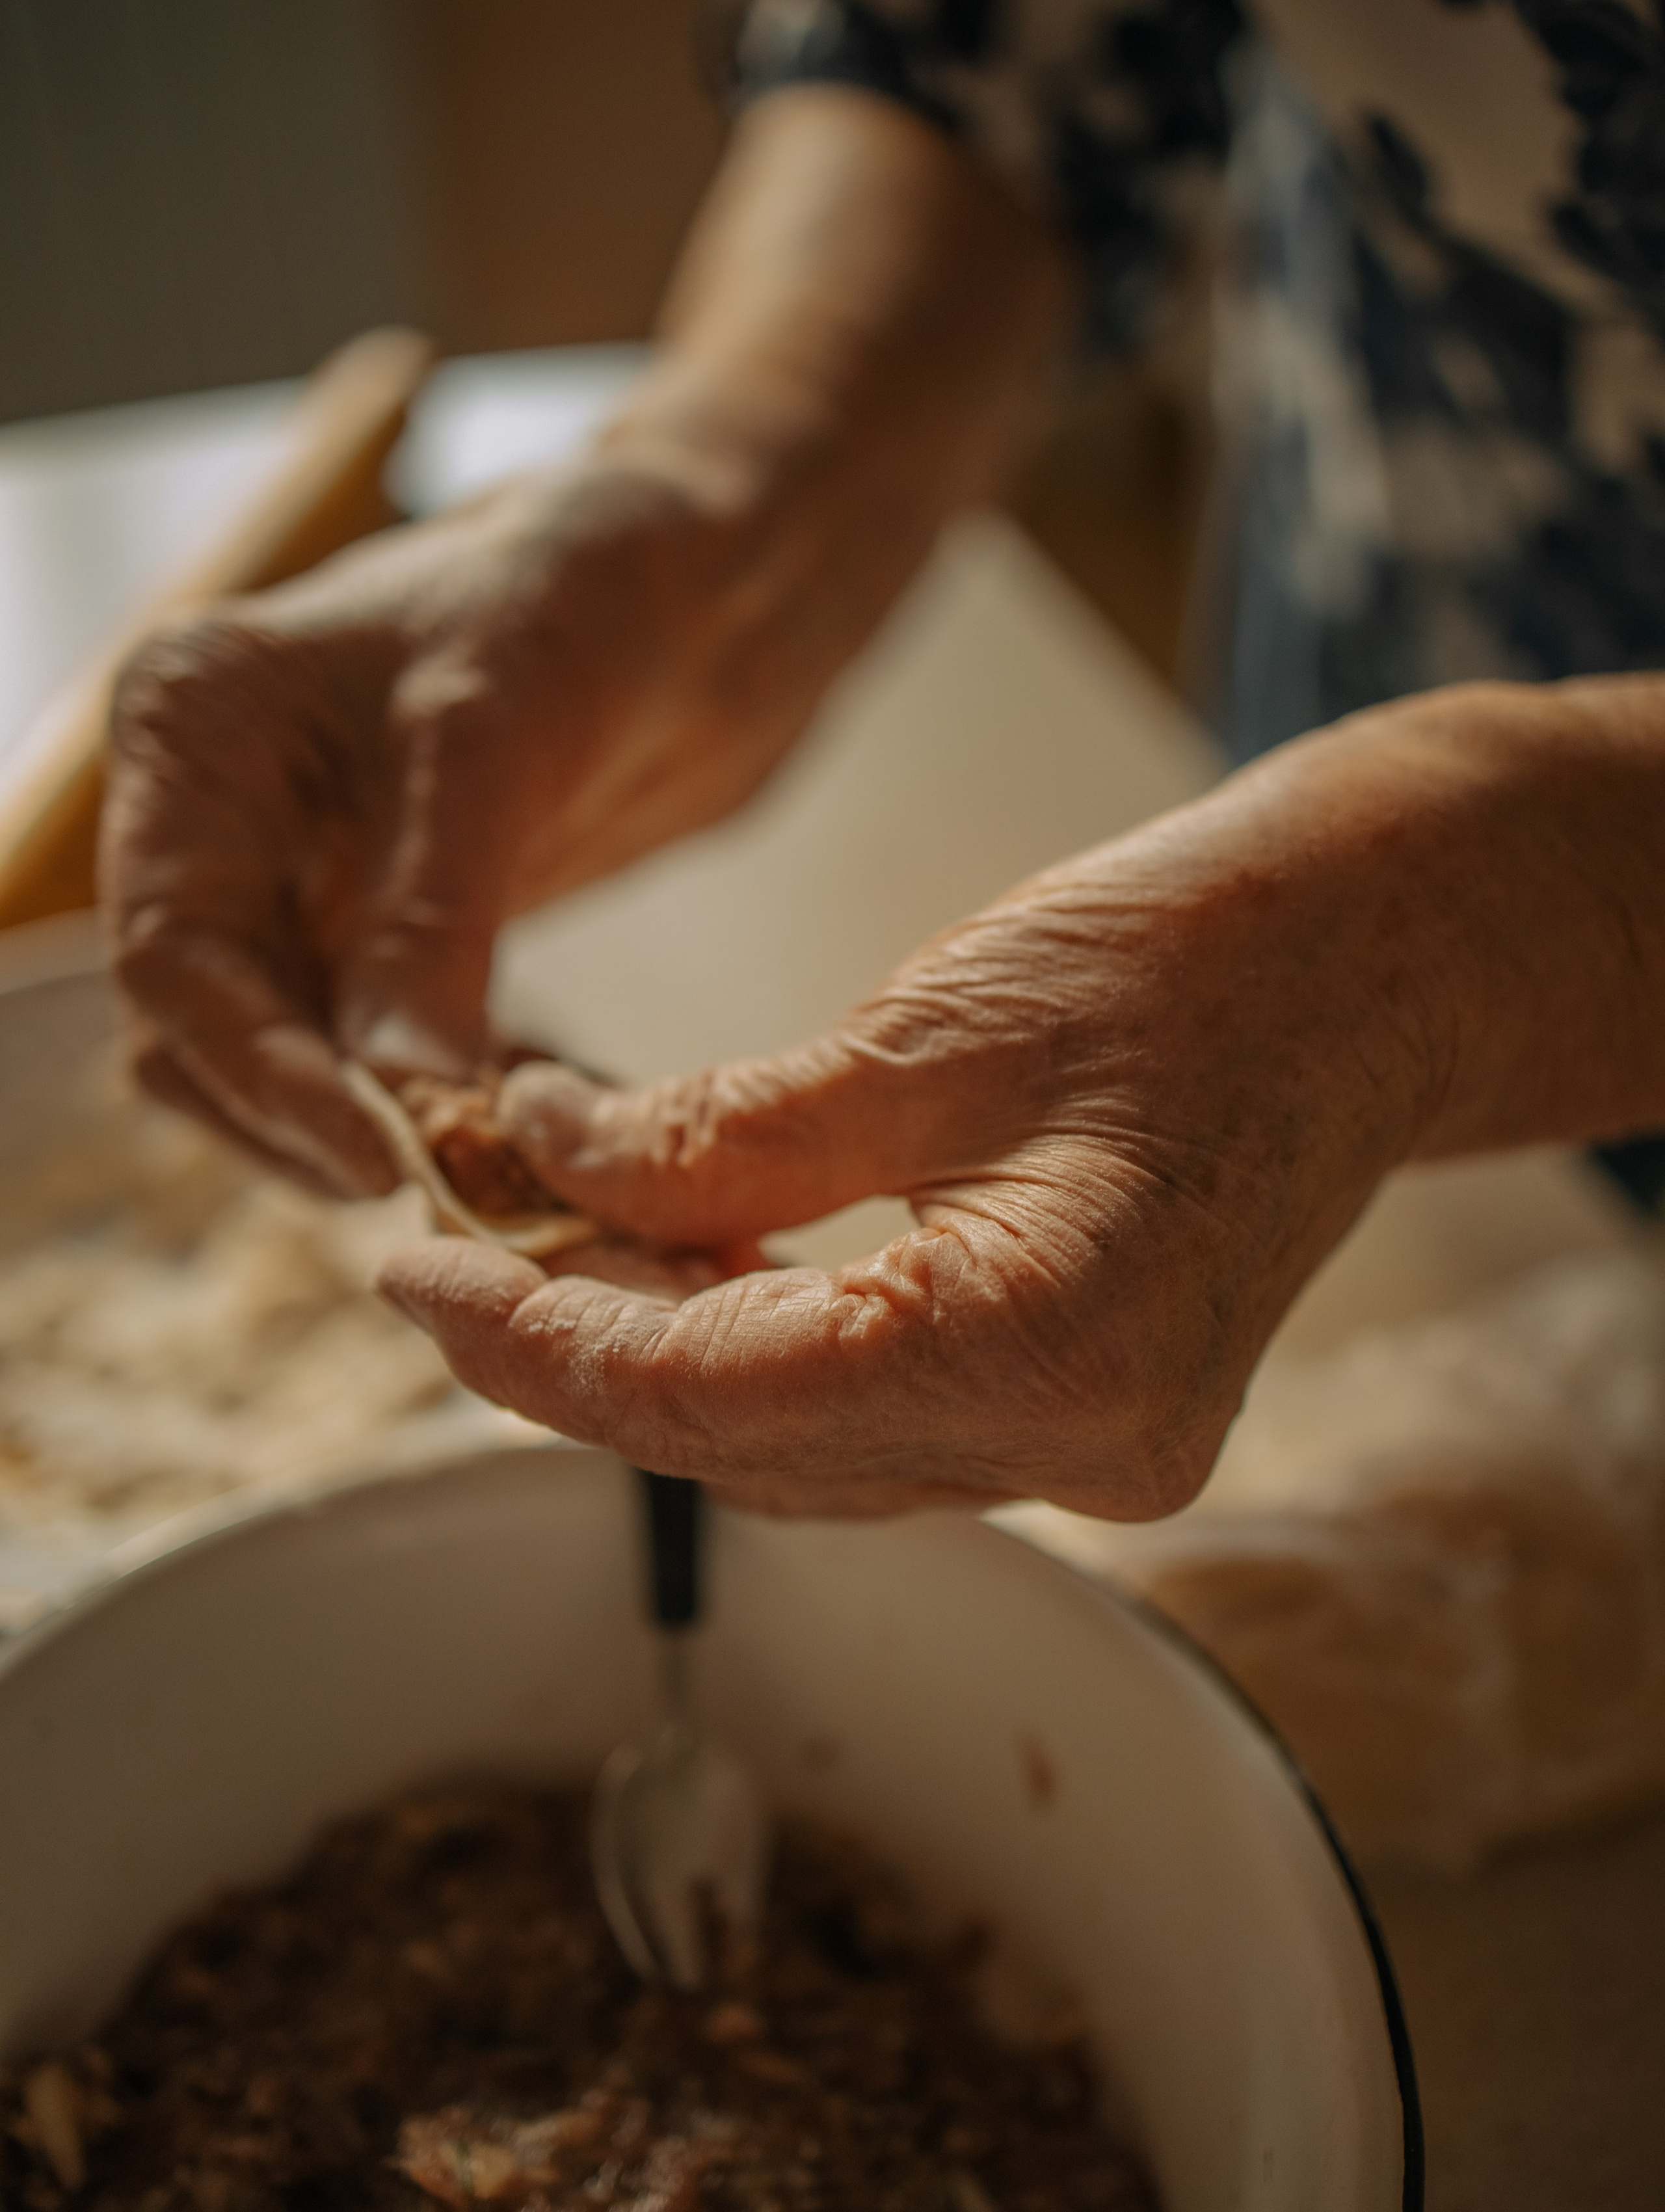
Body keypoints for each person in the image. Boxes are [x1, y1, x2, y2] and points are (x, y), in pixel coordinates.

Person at [103, 0, 1665, 1520]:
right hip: (1419, 549)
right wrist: (725, 476)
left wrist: (1478, 919)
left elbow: (1398, 933)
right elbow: (1007, 42)